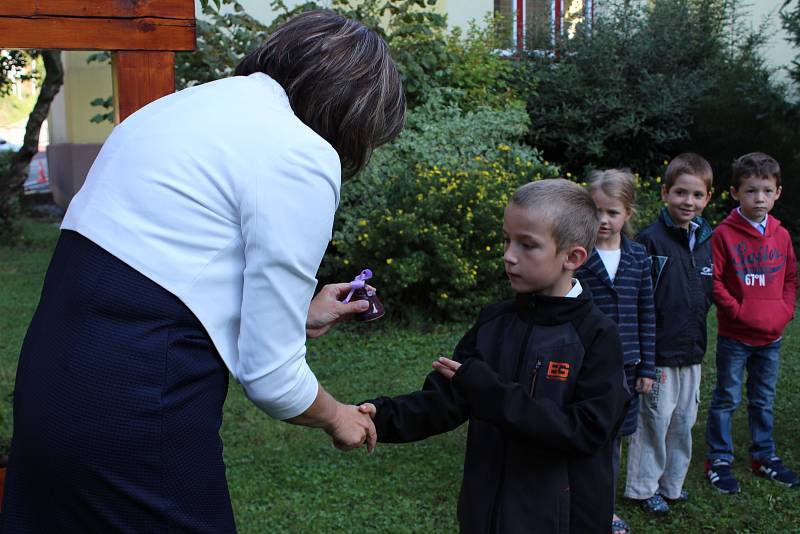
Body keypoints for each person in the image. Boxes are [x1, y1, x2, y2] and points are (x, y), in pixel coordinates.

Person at [1, 10, 406, 533]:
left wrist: (296, 312)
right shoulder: (299, 152)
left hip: (53, 386)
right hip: (137, 412)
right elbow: (272, 379)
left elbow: (159, 271)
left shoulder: (179, 110)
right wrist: (337, 416)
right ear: (350, 117)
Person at [359, 179, 629, 533]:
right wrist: (378, 416)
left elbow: (586, 431)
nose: (508, 255)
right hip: (484, 517)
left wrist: (491, 392)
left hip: (561, 522)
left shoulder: (597, 336)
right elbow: (443, 402)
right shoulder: (493, 323)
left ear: (572, 257)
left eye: (527, 245)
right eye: (507, 239)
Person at [624, 153, 714, 513]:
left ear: (707, 198)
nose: (688, 202)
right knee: (654, 422)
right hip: (659, 353)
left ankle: (672, 485)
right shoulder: (650, 242)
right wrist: (643, 355)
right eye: (680, 193)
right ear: (664, 193)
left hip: (692, 351)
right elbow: (640, 299)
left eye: (696, 195)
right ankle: (644, 488)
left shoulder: (708, 241)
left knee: (683, 423)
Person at [704, 152, 798, 493]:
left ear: (778, 193)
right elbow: (713, 281)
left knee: (763, 399)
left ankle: (764, 456)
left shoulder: (782, 236)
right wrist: (738, 310)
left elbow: (790, 277)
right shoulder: (723, 235)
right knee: (727, 397)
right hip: (736, 336)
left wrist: (784, 311)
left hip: (771, 336)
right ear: (734, 193)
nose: (759, 198)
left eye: (766, 191)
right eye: (751, 191)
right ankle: (719, 459)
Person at [576, 169, 655, 534]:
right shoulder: (577, 256)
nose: (603, 220)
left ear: (628, 213)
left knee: (613, 444)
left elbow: (647, 313)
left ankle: (604, 509)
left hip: (627, 368)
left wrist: (647, 369)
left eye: (612, 212)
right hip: (583, 366)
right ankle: (573, 500)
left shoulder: (638, 257)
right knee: (582, 436)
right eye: (596, 211)